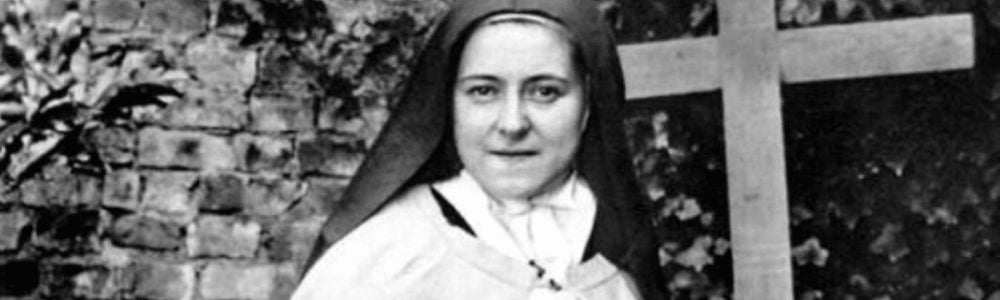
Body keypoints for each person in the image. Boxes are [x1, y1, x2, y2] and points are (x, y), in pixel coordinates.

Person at [292, 0, 663, 299]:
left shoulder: (616, 249)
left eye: (545, 91)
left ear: (588, 104)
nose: (512, 124)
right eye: (483, 91)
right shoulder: (383, 260)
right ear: (449, 104)